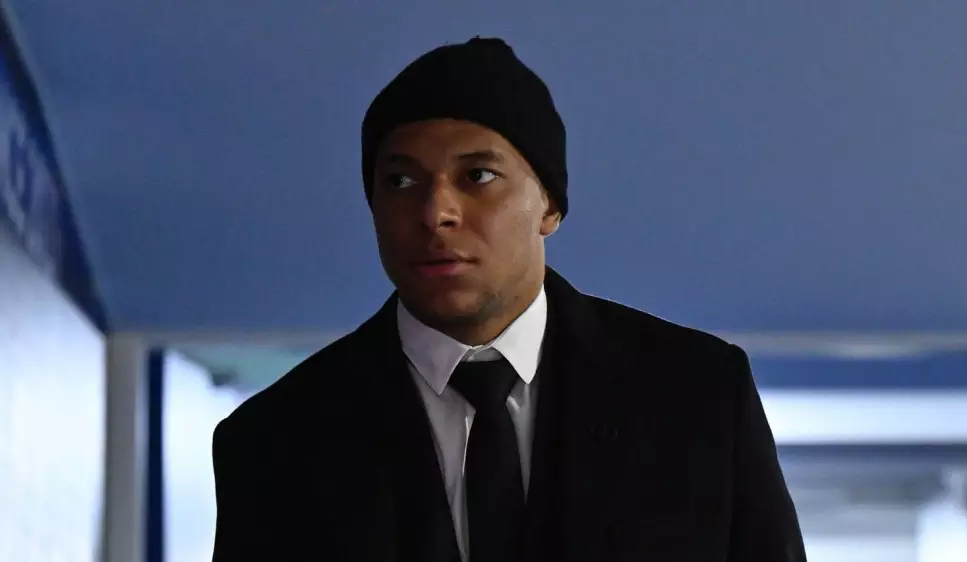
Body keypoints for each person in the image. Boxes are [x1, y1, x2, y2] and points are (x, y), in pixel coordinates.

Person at [211, 37, 806, 562]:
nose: (436, 212)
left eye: (478, 176)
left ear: (549, 205)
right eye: (400, 181)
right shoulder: (273, 441)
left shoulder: (697, 396)